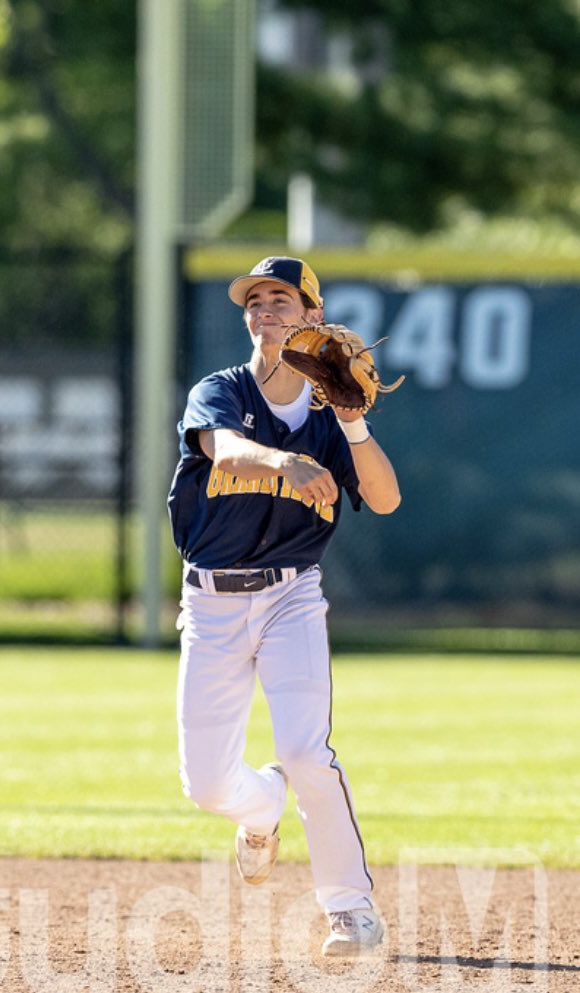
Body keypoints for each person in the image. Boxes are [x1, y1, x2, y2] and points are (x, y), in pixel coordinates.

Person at [167, 256, 401, 957]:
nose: (265, 309)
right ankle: (261, 806)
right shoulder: (221, 389)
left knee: (307, 751)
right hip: (210, 602)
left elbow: (385, 498)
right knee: (208, 786)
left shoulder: (330, 415)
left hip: (292, 594)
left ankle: (350, 909)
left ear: (310, 316)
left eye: (281, 298)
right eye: (255, 300)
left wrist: (355, 426)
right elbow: (226, 451)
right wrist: (283, 463)